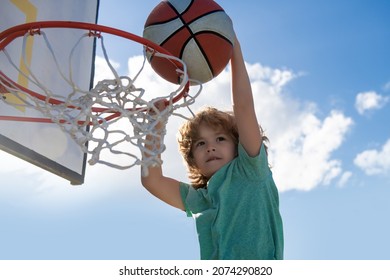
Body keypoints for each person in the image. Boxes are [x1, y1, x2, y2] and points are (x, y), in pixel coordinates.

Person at [141, 35, 284, 260]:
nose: (210, 147)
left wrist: (234, 47)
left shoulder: (250, 171)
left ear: (238, 146)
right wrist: (155, 127)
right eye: (200, 143)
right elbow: (153, 180)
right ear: (192, 159)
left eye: (220, 139)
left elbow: (244, 107)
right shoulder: (200, 198)